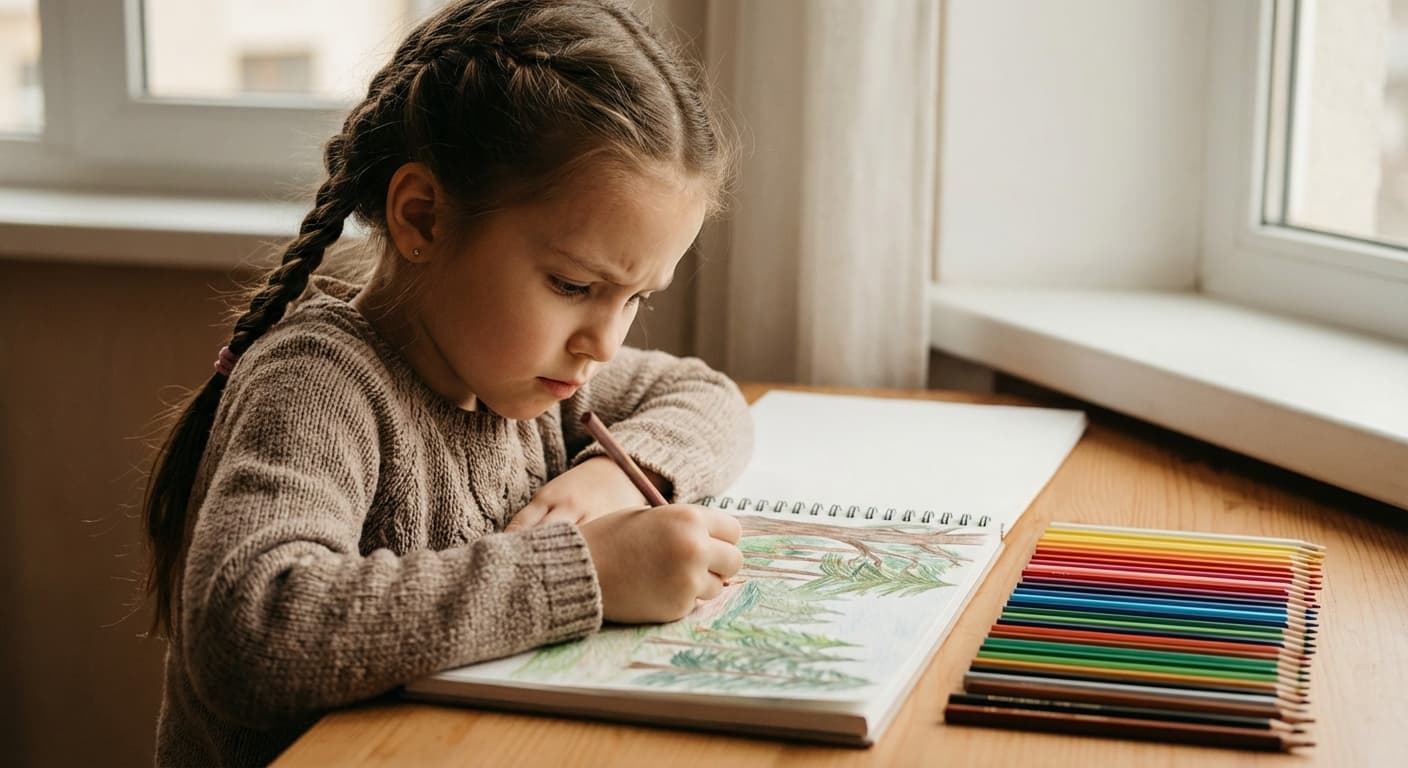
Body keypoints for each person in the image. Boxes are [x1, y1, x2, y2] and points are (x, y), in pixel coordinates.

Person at [142, 1, 751, 764]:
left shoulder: (526, 374)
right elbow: (253, 630)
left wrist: (611, 480)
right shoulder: (320, 386)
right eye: (572, 285)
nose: (605, 342)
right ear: (423, 218)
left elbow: (709, 400)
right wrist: (589, 570)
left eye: (637, 299)